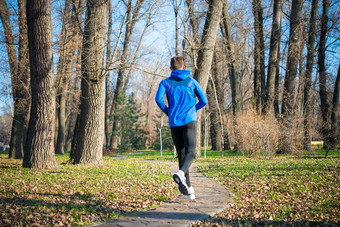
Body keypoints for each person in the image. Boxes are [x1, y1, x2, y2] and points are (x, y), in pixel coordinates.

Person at [155, 56, 208, 200]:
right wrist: (193, 109)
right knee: (190, 151)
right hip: (189, 121)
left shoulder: (165, 83)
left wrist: (167, 111)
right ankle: (180, 175)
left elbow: (158, 99)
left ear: (170, 69)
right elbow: (204, 100)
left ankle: (189, 189)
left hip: (174, 122)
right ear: (184, 67)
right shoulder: (192, 82)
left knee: (182, 154)